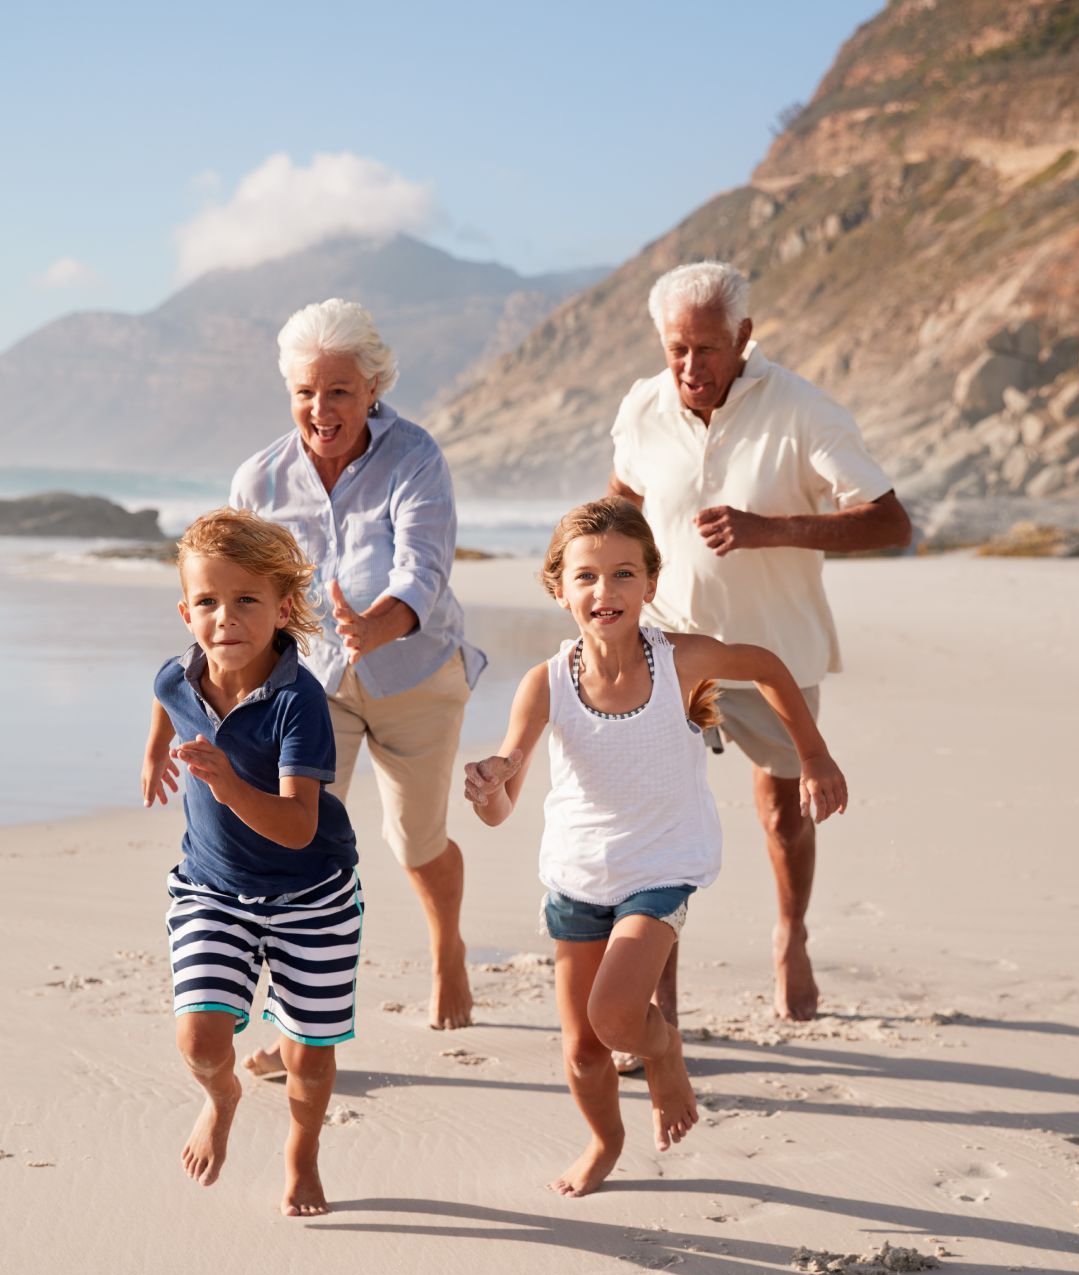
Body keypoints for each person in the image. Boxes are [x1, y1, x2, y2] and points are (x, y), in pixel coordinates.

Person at [462, 499, 846, 1197]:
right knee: (581, 1052)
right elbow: (503, 800)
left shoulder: (681, 661)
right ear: (559, 588)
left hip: (661, 868)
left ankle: (665, 1050)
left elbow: (764, 666)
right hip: (578, 876)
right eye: (586, 578)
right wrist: (490, 785)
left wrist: (812, 754)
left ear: (650, 585)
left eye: (622, 575)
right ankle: (605, 1141)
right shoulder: (545, 683)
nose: (603, 593)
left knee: (615, 1019)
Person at [607, 260, 911, 1023]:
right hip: (669, 650)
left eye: (707, 348)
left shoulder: (805, 410)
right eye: (676, 348)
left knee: (782, 816)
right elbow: (624, 500)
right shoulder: (644, 406)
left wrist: (768, 529)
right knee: (661, 821)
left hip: (777, 655)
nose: (690, 367)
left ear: (744, 337)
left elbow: (889, 521)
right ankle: (659, 1001)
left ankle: (791, 933)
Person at [222, 297, 487, 1076]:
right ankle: (300, 1025)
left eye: (338, 391)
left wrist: (378, 625)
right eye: (306, 392)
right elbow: (234, 587)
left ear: (373, 387)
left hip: (415, 672)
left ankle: (448, 947)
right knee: (298, 843)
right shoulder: (260, 480)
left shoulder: (415, 457)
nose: (320, 409)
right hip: (311, 686)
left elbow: (426, 571)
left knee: (414, 840)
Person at [140, 508, 360, 1216]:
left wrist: (228, 783)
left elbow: (298, 827)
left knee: (309, 1049)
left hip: (312, 895)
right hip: (212, 888)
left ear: (283, 608)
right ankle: (223, 1095)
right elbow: (164, 696)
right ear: (186, 611)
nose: (224, 618)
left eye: (246, 601)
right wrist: (154, 754)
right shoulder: (181, 675)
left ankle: (301, 1156)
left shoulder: (300, 703)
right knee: (200, 1037)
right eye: (206, 602)